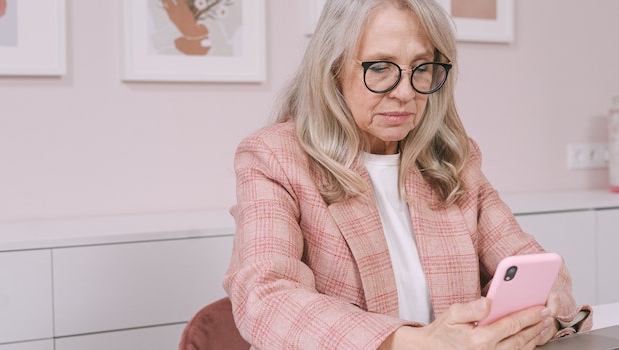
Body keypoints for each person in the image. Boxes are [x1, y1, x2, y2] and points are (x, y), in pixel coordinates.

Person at [223, 0, 592, 349]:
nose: (404, 92)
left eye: (421, 67)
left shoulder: (453, 160)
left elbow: (538, 268)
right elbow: (266, 296)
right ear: (332, 68)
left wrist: (542, 319)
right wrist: (420, 343)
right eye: (380, 68)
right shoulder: (274, 157)